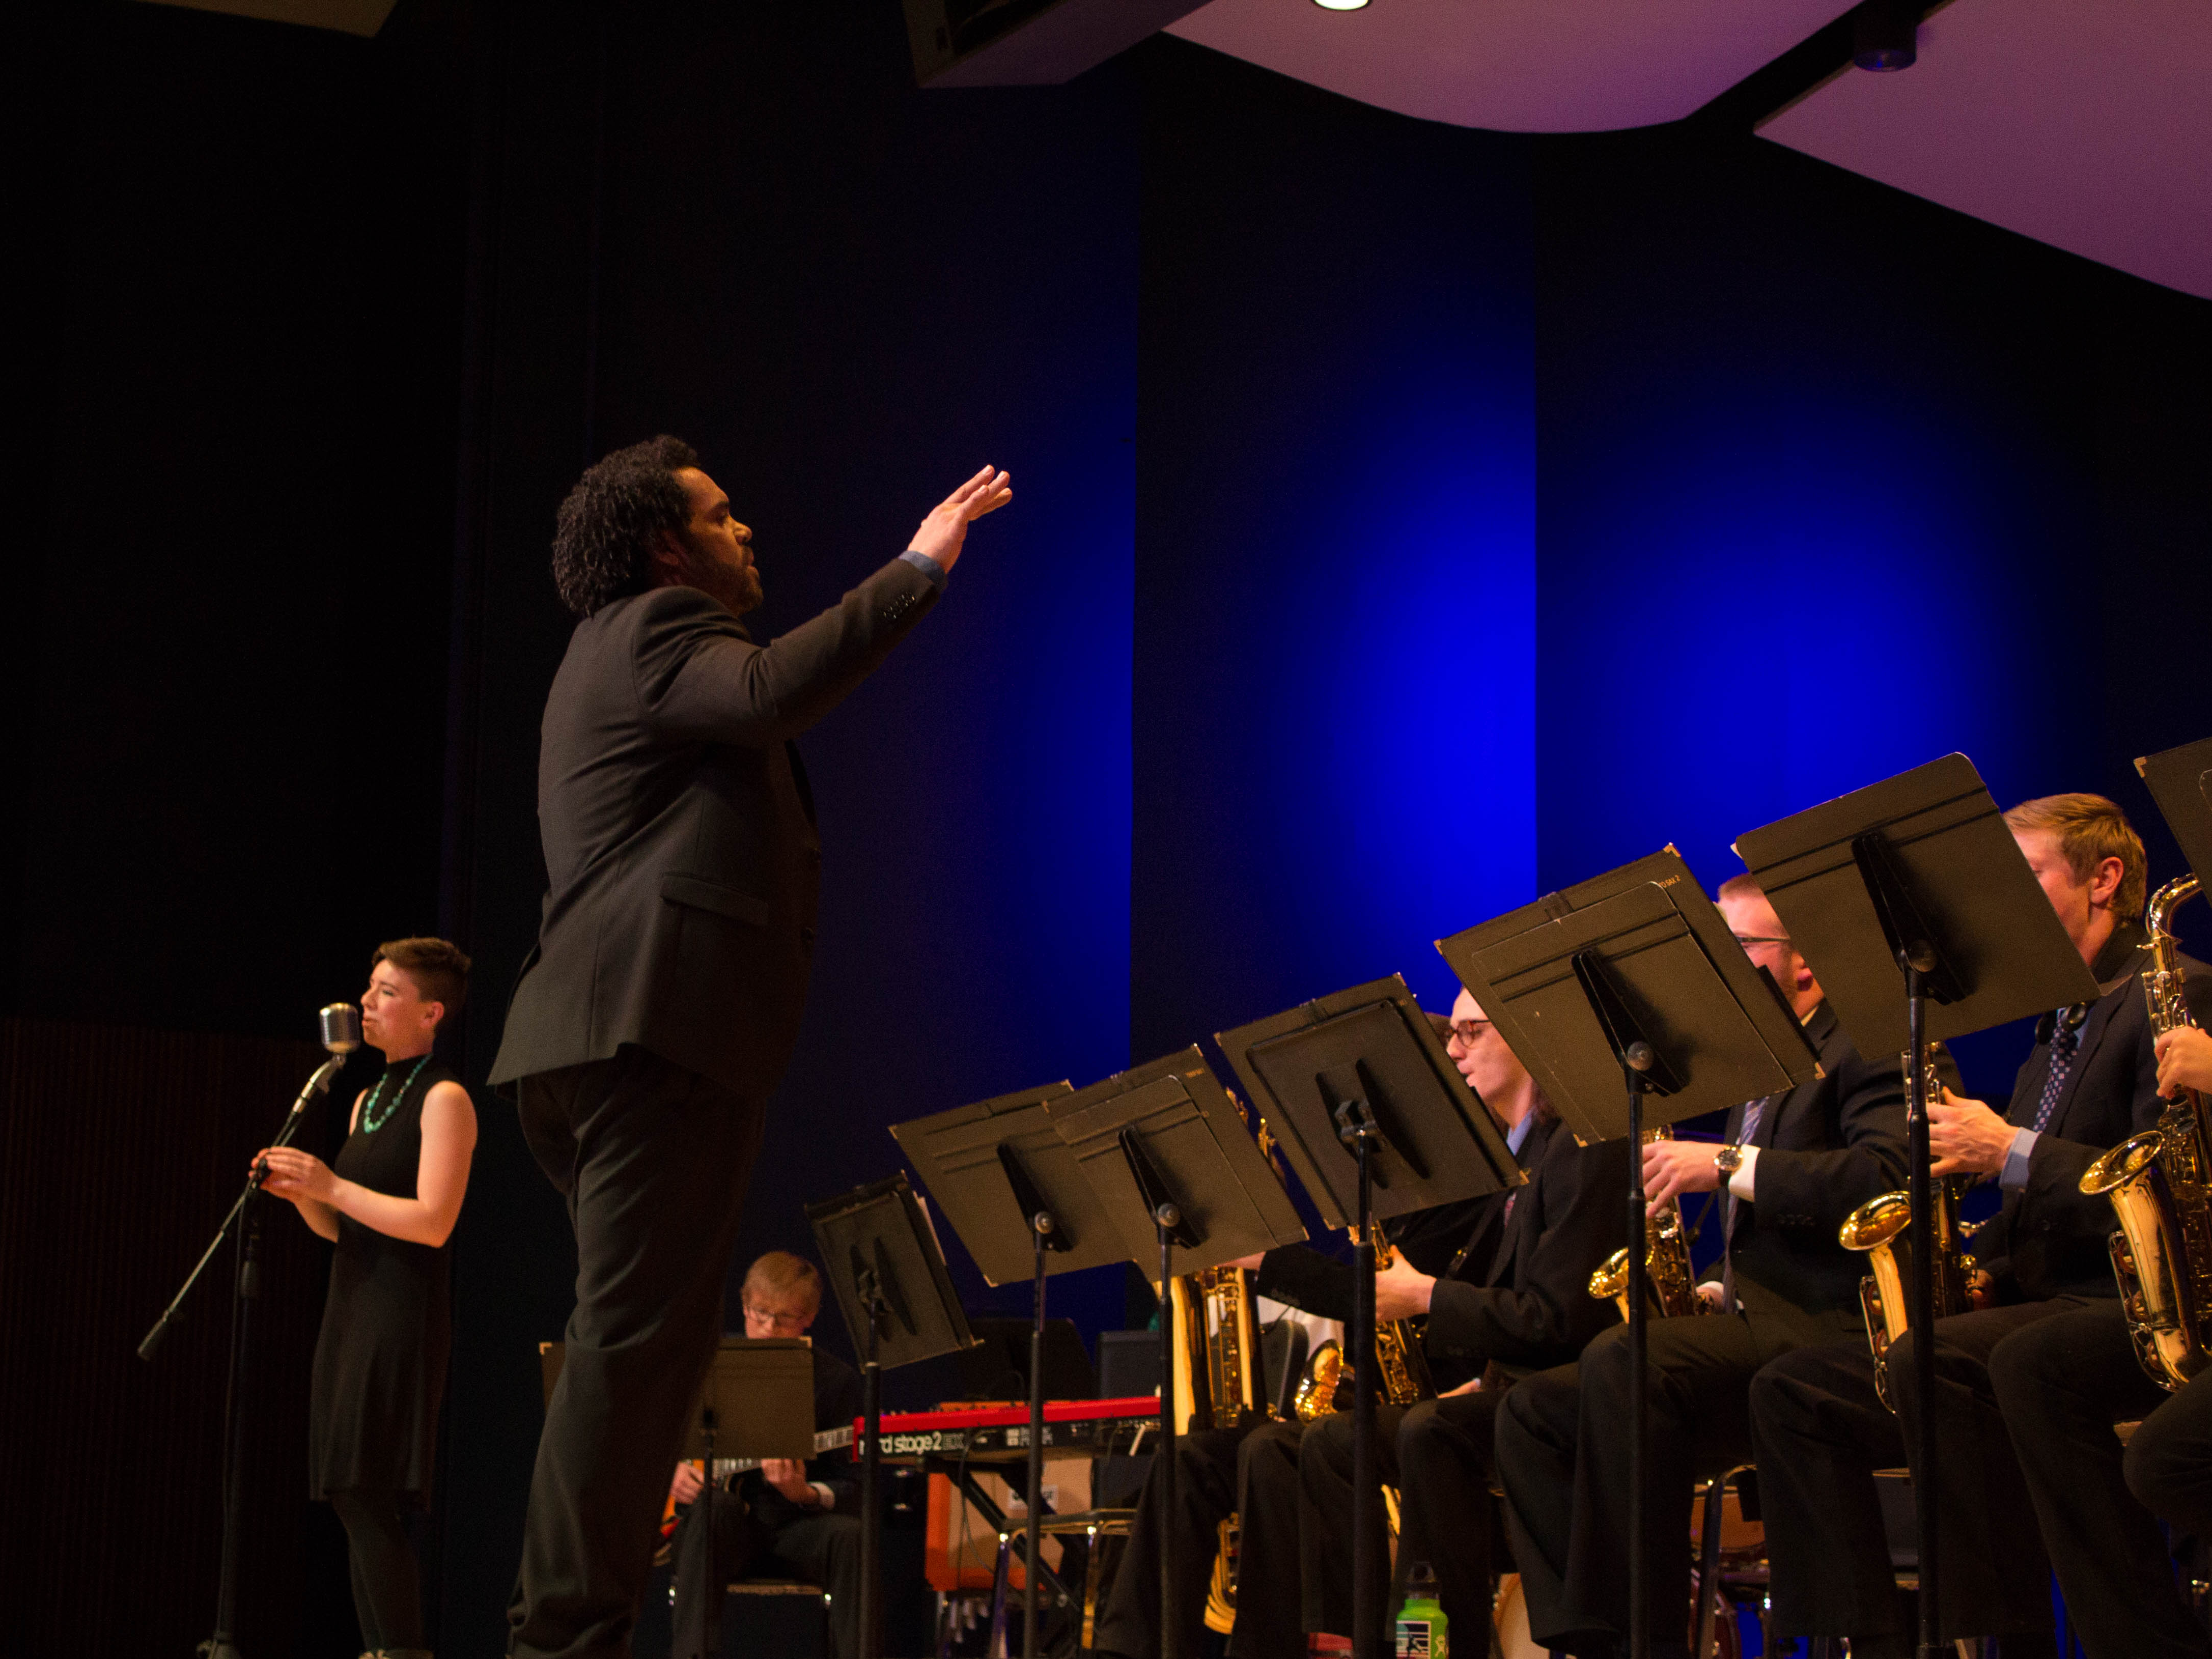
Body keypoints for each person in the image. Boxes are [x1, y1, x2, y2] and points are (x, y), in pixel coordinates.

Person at [491, 436, 1011, 1658]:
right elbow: (775, 687)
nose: (746, 532)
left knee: (647, 1359)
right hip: (648, 1034)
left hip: (614, 1037)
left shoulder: (613, 648)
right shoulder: (657, 625)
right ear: (667, 544)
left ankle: (578, 1628)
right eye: (720, 516)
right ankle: (558, 1640)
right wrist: (917, 567)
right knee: (627, 1359)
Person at [1751, 793, 2196, 1659]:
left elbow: (2167, 1181)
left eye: (2024, 876)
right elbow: (2029, 1195)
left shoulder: (2172, 995)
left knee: (1980, 1361)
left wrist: (2011, 1147)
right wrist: (1982, 1259)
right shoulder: (2057, 1022)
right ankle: (1874, 1640)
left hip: (2137, 1301)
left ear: (2105, 880)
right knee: (1794, 1387)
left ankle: (2051, 1634)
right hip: (2046, 1296)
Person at [1493, 873, 1908, 1659]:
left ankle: (1649, 1634)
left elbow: (1885, 1175)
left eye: (1739, 945)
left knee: (1626, 1355)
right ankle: (1586, 1635)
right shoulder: (1766, 1062)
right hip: (1760, 1324)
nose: (1716, 965)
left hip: (1836, 1327)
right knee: (1534, 1411)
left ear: (1805, 967)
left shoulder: (1866, 1041)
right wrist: (1720, 1283)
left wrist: (1723, 1161)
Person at [1088, 1007, 1510, 1659]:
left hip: (1441, 1408)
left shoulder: (1483, 1185)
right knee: (1192, 1458)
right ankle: (1127, 1651)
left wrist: (1265, 1257)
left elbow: (1378, 1297)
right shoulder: (1400, 1187)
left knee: (1273, 1452)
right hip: (1371, 1410)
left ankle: (1271, 1647)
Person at [1292, 989, 1628, 1654]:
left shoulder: (1582, 1145)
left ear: (1529, 1037)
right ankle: (1351, 1637)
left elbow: (1554, 1316)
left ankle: (1431, 1645)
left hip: (1578, 1402)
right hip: (1514, 1392)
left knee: (1429, 1431)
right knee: (1332, 1441)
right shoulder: (1519, 1156)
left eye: (1471, 1031)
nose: (1453, 1050)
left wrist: (1426, 1296)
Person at [260, 938, 479, 1659]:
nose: (366, 1001)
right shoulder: (363, 1096)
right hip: (351, 1307)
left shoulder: (445, 1096)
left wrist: (330, 1185)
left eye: (386, 991)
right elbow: (342, 1223)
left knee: (367, 1489)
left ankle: (403, 1651)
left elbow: (432, 1219)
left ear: (431, 1012)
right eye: (370, 986)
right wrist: (301, 1195)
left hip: (400, 1311)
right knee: (351, 1494)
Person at [666, 1253, 863, 1659]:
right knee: (713, 1508)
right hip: (723, 1530)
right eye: (760, 1313)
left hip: (794, 1530)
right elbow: (652, 1440)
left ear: (808, 1317)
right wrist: (671, 1472)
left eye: (786, 1317)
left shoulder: (835, 1381)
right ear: (744, 1305)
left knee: (852, 1538)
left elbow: (854, 1489)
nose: (770, 1327)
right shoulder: (708, 1364)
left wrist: (805, 1492)